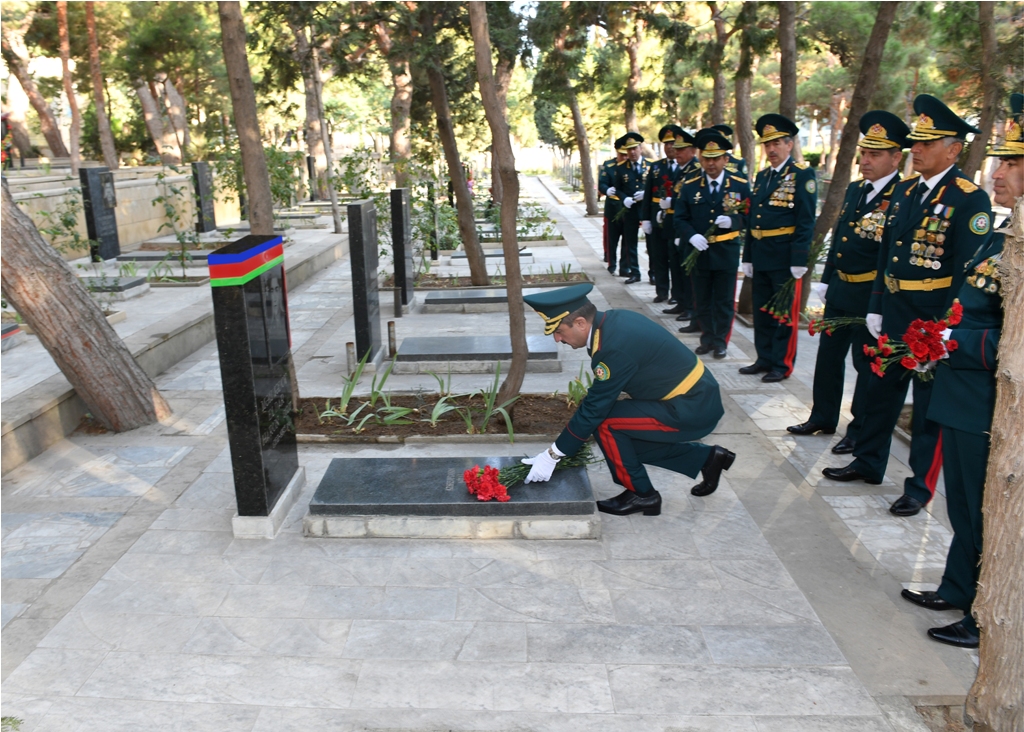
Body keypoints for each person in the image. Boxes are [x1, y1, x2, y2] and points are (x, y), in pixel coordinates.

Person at [822, 94, 994, 517]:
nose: (915, 149)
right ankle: (868, 461)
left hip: (933, 318)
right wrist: (877, 303)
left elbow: (967, 273)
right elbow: (887, 254)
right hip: (895, 308)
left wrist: (948, 326)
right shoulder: (906, 191)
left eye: (927, 144)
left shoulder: (969, 200)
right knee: (880, 391)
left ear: (953, 150)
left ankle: (919, 487)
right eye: (915, 142)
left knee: (928, 409)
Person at [900, 93, 1022, 648]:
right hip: (964, 391)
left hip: (987, 398)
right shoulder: (1005, 235)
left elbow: (1009, 339)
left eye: (1013, 164)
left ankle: (980, 614)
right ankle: (956, 586)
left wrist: (957, 340)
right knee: (963, 502)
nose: (997, 172)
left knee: (980, 508)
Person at [520, 283, 736, 515]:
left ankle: (642, 495)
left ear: (581, 323)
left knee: (605, 423)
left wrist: (553, 455)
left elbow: (595, 409)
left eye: (559, 331)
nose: (557, 338)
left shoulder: (612, 348)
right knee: (622, 443)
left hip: (690, 407)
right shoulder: (614, 320)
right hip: (694, 396)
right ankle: (707, 458)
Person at [788, 111, 909, 453]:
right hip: (841, 288)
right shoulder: (858, 189)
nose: (865, 160)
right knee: (828, 358)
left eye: (875, 154)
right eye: (864, 153)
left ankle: (858, 429)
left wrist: (880, 300)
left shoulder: (903, 194)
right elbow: (841, 236)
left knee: (866, 365)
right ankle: (823, 416)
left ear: (896, 157)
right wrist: (826, 278)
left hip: (871, 295)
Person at [741, 114, 817, 382]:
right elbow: (753, 218)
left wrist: (799, 258)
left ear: (789, 144)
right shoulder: (762, 177)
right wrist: (747, 255)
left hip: (785, 257)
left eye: (777, 143)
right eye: (767, 144)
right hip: (761, 254)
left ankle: (782, 365)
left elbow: (806, 220)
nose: (771, 150)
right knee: (762, 312)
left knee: (783, 315)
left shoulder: (801, 175)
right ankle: (763, 358)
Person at [673, 129, 751, 358]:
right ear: (700, 158)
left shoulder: (739, 185)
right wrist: (691, 235)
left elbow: (750, 216)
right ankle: (706, 338)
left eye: (716, 158)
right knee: (702, 299)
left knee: (724, 301)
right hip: (699, 252)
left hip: (726, 252)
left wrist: (734, 221)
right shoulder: (690, 185)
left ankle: (720, 341)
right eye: (706, 158)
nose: (711, 163)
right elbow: (679, 218)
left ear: (726, 159)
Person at [640, 124, 687, 303]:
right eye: (666, 144)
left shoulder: (687, 167)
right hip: (656, 215)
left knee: (675, 258)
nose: (670, 147)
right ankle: (661, 291)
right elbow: (648, 194)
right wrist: (646, 218)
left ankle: (677, 294)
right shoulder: (656, 167)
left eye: (673, 143)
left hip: (676, 218)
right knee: (658, 255)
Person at [665, 129, 701, 324]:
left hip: (687, 229)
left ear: (693, 151)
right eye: (675, 149)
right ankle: (681, 301)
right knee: (676, 268)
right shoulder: (681, 169)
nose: (676, 152)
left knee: (687, 272)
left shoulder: (695, 169)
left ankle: (690, 307)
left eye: (681, 149)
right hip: (676, 225)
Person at [609, 132, 648, 284]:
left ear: (640, 148)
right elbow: (617, 188)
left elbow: (656, 188)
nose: (632, 152)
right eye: (629, 149)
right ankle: (635, 272)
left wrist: (646, 194)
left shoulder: (651, 166)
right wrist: (624, 198)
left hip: (646, 210)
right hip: (630, 209)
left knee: (651, 244)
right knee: (630, 242)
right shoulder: (621, 168)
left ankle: (653, 273)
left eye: (635, 148)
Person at [598, 139, 627, 270]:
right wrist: (606, 190)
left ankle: (625, 267)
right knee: (612, 239)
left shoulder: (632, 167)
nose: (624, 157)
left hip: (627, 208)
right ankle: (612, 263)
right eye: (622, 154)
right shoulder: (609, 166)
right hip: (613, 207)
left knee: (627, 240)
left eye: (626, 154)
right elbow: (602, 182)